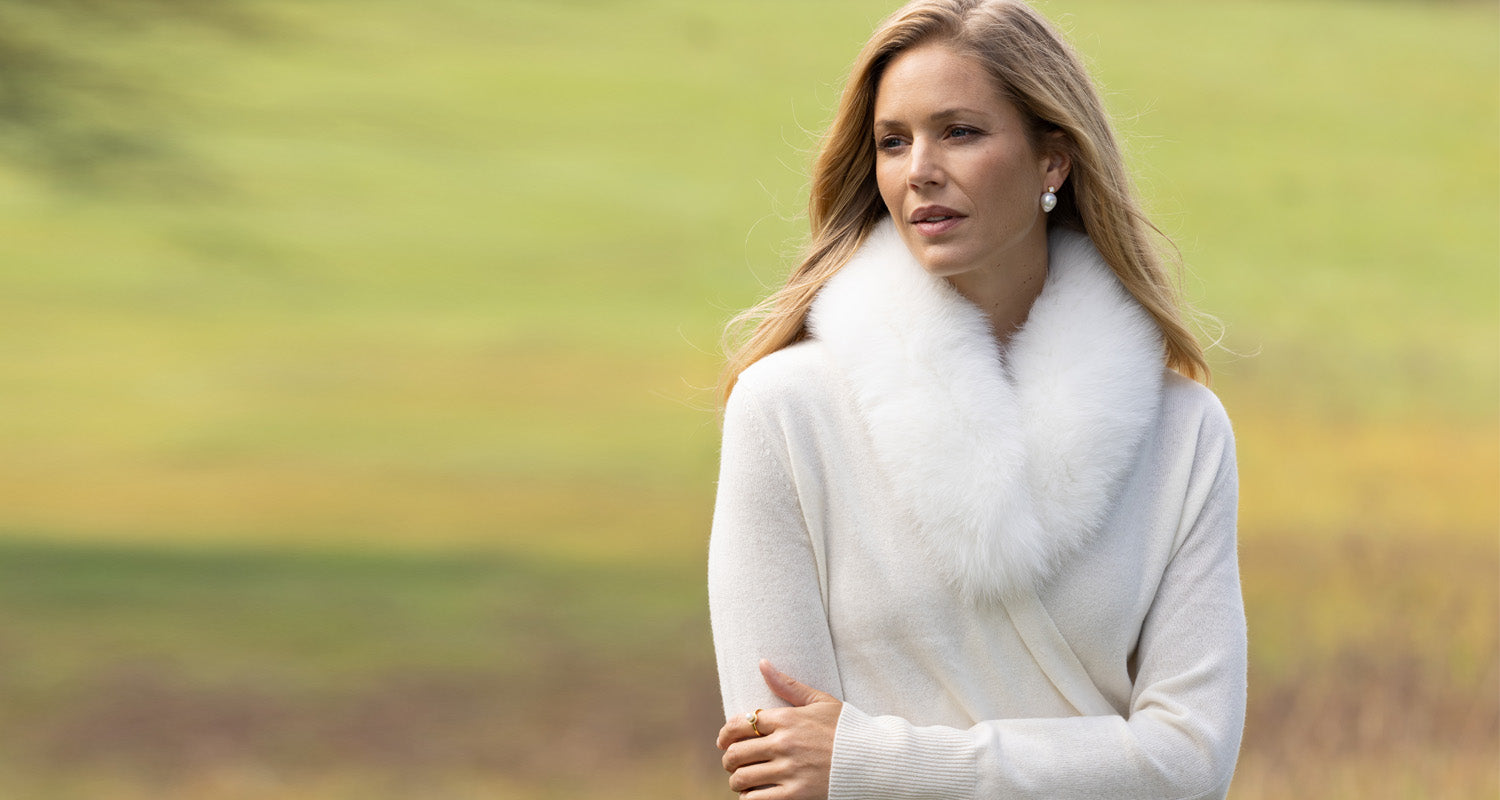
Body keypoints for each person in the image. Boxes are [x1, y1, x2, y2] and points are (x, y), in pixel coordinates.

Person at [707, 0, 1246, 798]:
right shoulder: (784, 411)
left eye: (959, 131)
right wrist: (1100, 759)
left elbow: (1189, 766)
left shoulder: (1183, 432)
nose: (919, 166)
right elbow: (776, 767)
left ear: (1053, 160)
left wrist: (868, 765)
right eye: (893, 141)